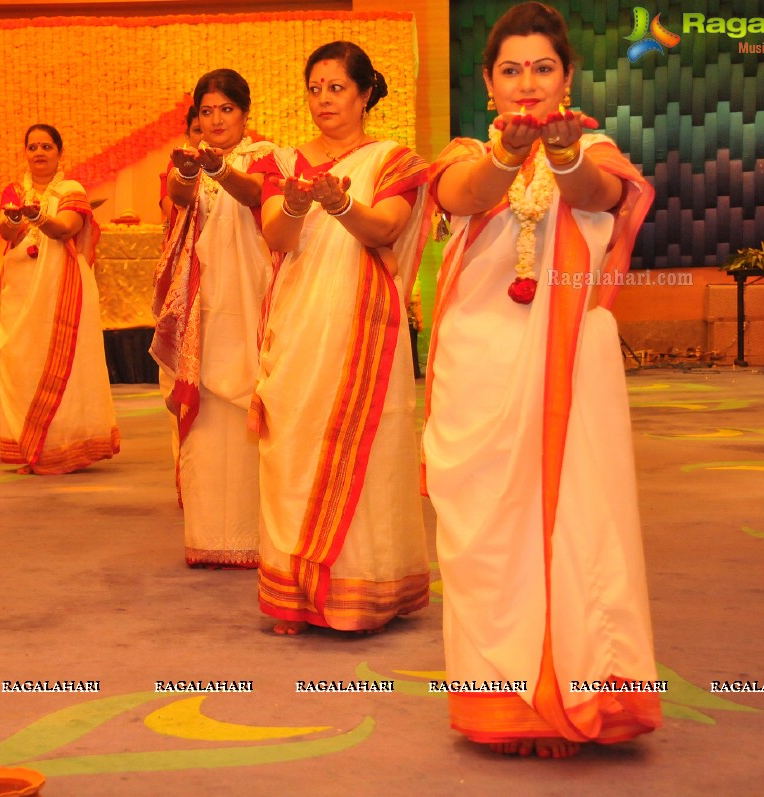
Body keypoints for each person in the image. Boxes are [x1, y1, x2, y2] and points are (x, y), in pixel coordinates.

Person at [423, 1, 661, 759]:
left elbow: (599, 196)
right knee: (485, 533)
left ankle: (570, 693)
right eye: (511, 70)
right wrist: (507, 155)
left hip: (568, 366)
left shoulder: (594, 150)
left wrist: (559, 156)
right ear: (487, 83)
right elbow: (463, 196)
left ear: (567, 77)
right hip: (479, 364)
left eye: (543, 68)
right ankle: (504, 699)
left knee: (573, 521)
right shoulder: (464, 151)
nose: (526, 83)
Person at [249, 42, 431, 634]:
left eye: (336, 88)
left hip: (363, 324)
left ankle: (368, 588)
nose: (323, 99)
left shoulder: (392, 161)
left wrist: (341, 203)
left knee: (369, 452)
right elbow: (277, 237)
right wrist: (300, 203)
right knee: (291, 447)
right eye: (315, 87)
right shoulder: (282, 161)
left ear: (364, 93)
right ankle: (295, 594)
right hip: (299, 323)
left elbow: (385, 228)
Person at [151, 69, 276, 568]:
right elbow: (174, 206)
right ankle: (210, 536)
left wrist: (220, 170)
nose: (216, 119)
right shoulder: (185, 161)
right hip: (202, 300)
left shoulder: (268, 157)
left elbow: (256, 197)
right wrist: (188, 173)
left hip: (252, 293)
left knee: (253, 398)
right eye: (206, 111)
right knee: (205, 407)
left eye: (226, 109)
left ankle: (260, 535)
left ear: (246, 114)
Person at [0, 123, 119, 474]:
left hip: (62, 288)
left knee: (65, 364)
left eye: (47, 147)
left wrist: (38, 216)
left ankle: (63, 447)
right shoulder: (14, 190)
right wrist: (14, 219)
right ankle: (29, 448)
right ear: (25, 153)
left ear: (59, 153)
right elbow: (4, 231)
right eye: (33, 147)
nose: (39, 153)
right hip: (20, 287)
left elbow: (65, 229)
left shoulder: (71, 190)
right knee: (22, 364)